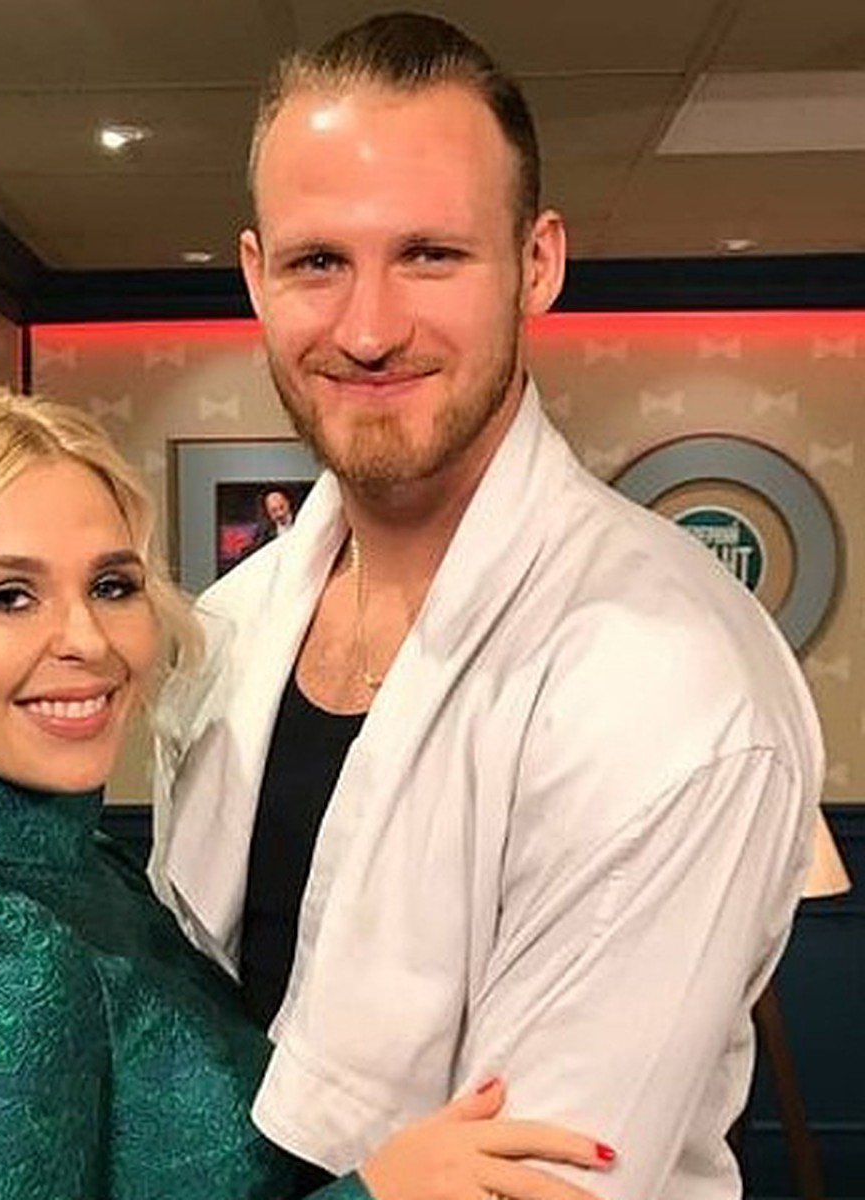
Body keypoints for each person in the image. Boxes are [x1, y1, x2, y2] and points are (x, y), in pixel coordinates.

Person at [149, 13, 824, 1200]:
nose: (368, 330)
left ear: (538, 263)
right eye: (318, 263)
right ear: (255, 277)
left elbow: (541, 1185)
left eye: (430, 254)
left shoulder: (668, 679)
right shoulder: (231, 626)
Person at [0, 387, 615, 1200]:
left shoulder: (75, 865)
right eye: (9, 596)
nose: (88, 640)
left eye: (112, 585)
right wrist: (381, 1192)